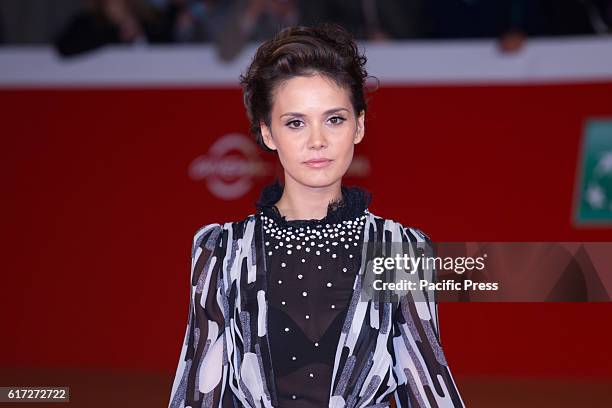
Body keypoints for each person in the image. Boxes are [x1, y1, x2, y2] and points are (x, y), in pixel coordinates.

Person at [168, 23, 465, 408]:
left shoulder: (398, 248)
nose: (317, 141)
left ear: (358, 126)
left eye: (334, 119)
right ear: (268, 134)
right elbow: (198, 390)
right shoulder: (222, 250)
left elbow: (427, 386)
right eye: (295, 122)